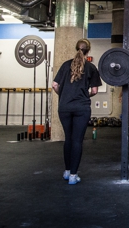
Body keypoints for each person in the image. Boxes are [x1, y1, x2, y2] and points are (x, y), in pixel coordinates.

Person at [52, 38, 101, 185]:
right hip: (81, 108)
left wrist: (64, 95)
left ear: (76, 48)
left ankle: (67, 172)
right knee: (77, 141)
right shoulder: (91, 67)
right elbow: (94, 90)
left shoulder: (66, 65)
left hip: (64, 107)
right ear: (88, 50)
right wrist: (86, 95)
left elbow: (55, 85)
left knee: (68, 139)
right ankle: (73, 175)